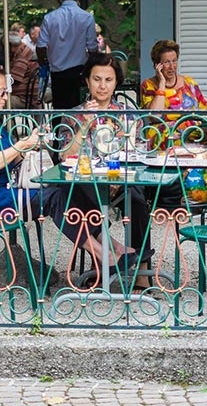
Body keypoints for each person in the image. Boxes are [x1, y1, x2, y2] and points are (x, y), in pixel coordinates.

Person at [0, 63, 144, 277]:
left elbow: (10, 160)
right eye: (2, 91)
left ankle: (114, 248)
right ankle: (104, 256)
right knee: (54, 196)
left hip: (4, 190)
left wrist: (33, 143)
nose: (6, 96)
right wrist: (22, 144)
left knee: (68, 189)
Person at [59, 54, 154, 285]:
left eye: (108, 80)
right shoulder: (74, 114)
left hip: (122, 178)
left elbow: (142, 151)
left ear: (116, 82)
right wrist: (85, 124)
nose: (102, 86)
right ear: (87, 82)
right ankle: (101, 265)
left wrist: (129, 144)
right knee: (88, 201)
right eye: (97, 79)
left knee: (138, 203)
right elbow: (65, 155)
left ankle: (141, 268)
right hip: (87, 181)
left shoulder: (128, 114)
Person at [37, 0, 97, 111]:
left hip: (58, 74)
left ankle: (59, 132)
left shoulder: (49, 18)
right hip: (79, 72)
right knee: (79, 110)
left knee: (59, 110)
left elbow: (40, 47)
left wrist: (44, 63)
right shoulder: (87, 17)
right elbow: (93, 48)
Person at [140, 39, 207, 147]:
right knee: (172, 135)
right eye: (167, 62)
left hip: (194, 134)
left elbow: (204, 112)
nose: (172, 67)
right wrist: (162, 84)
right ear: (157, 65)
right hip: (164, 136)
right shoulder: (149, 85)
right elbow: (155, 116)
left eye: (174, 61)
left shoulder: (189, 82)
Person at [8, 33, 38, 109]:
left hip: (25, 98)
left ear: (10, 45)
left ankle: (3, 121)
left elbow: (14, 79)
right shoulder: (25, 49)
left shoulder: (22, 56)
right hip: (32, 95)